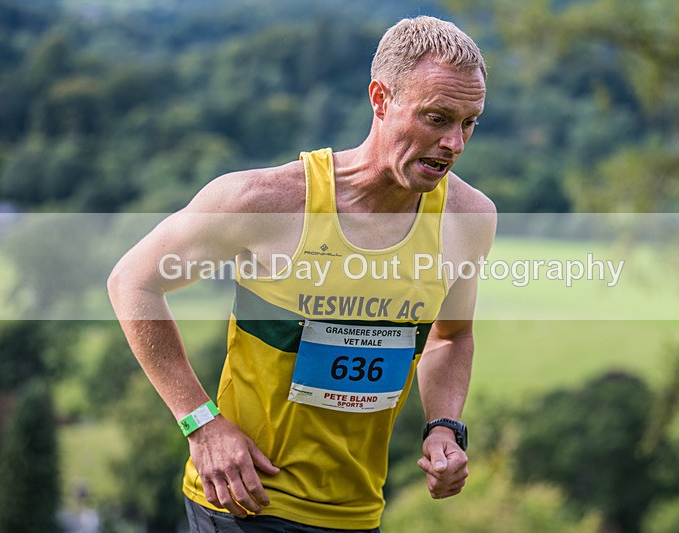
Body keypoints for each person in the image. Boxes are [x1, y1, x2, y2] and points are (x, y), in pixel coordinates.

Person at [108, 15, 496, 533]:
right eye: (437, 118)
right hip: (243, 503)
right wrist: (200, 423)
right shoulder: (263, 201)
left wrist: (443, 427)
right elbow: (132, 282)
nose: (455, 143)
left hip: (356, 513)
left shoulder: (468, 219)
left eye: (469, 122)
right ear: (381, 99)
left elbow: (452, 337)